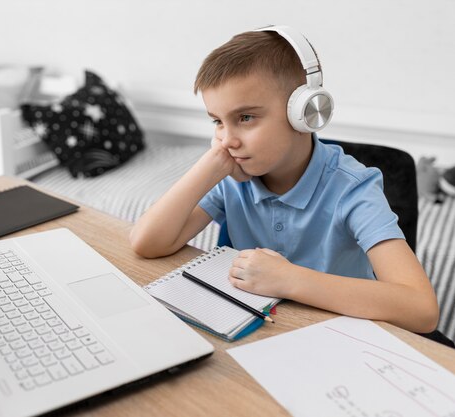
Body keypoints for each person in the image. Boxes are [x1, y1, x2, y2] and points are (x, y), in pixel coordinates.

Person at [129, 25, 439, 334]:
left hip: (341, 335)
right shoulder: (231, 177)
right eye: (217, 122)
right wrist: (207, 167)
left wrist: (289, 280)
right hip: (261, 330)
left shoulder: (353, 188)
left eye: (245, 118)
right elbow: (147, 242)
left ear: (304, 113)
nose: (227, 139)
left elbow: (421, 309)